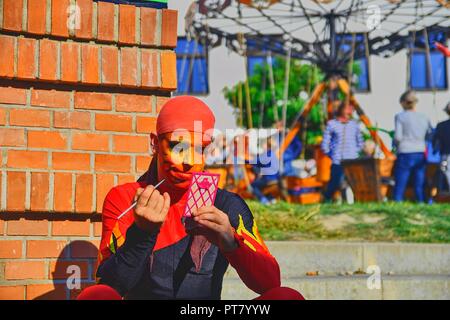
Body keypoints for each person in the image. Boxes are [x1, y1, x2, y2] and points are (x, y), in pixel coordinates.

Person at [77, 96, 303, 300]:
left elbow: (271, 283)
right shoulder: (126, 197)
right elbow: (107, 286)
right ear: (155, 143)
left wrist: (231, 242)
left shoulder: (225, 204)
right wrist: (142, 233)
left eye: (199, 149)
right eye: (178, 147)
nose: (189, 161)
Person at [393, 91, 432, 202]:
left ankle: (398, 204)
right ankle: (420, 203)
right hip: (420, 152)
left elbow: (398, 137)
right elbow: (429, 134)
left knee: (401, 183)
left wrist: (394, 145)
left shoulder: (400, 116)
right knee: (419, 183)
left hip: (405, 152)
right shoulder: (424, 117)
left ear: (403, 103)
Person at [321, 101, 364, 202]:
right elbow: (325, 143)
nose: (349, 111)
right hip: (338, 160)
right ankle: (326, 199)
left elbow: (360, 141)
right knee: (335, 182)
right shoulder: (332, 124)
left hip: (352, 159)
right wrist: (331, 154)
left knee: (352, 183)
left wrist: (355, 152)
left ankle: (353, 202)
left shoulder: (354, 125)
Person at [432, 102, 450, 192]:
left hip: (445, 156)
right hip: (446, 156)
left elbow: (435, 143)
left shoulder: (441, 126)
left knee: (446, 177)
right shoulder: (441, 126)